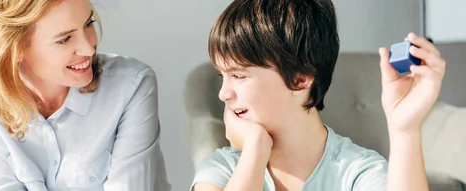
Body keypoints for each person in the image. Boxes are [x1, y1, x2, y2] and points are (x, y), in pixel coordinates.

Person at [191, 0, 446, 190]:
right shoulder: (223, 169)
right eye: (221, 77)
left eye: (238, 76)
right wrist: (256, 151)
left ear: (299, 79)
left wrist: (405, 130)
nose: (224, 94)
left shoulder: (356, 172)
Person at [0, 0, 170, 190]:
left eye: (88, 23)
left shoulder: (132, 85)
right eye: (65, 39)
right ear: (14, 47)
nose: (89, 49)